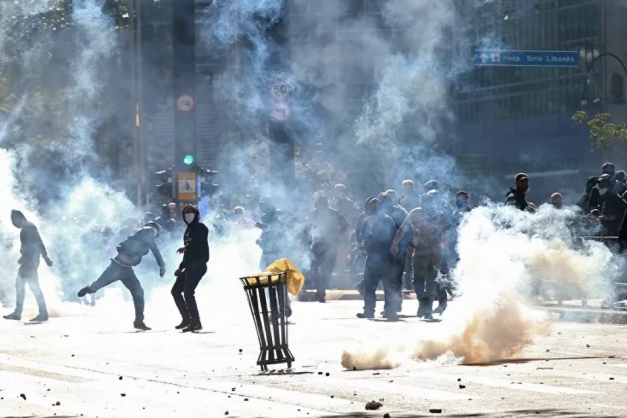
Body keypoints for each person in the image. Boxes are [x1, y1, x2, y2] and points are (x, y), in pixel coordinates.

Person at [77, 222, 166, 330]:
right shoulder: (149, 230)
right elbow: (155, 250)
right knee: (99, 285)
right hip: (117, 266)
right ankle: (89, 288)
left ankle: (139, 321)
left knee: (138, 292)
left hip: (127, 269)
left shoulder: (142, 237)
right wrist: (162, 265)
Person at [391, 193, 447, 320]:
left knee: (418, 280)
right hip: (436, 251)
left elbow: (402, 229)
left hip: (422, 251)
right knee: (432, 282)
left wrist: (395, 244)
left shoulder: (416, 212)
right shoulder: (439, 214)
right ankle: (427, 311)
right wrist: (442, 247)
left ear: (421, 202)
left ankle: (422, 299)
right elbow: (447, 232)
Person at [3, 210, 52, 322]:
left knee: (26, 285)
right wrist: (45, 258)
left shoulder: (27, 228)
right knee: (27, 285)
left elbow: (38, 244)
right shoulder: (28, 227)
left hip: (30, 262)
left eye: (13, 220)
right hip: (30, 261)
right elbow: (38, 244)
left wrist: (45, 258)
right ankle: (31, 312)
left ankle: (23, 312)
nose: (13, 223)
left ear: (18, 218)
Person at [357, 198, 397, 320]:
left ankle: (390, 311)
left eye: (377, 206)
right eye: (372, 206)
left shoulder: (387, 220)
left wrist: (373, 241)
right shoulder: (367, 220)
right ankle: (369, 311)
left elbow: (391, 237)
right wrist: (364, 245)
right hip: (372, 258)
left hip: (385, 258)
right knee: (369, 286)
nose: (375, 209)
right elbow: (362, 237)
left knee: (388, 286)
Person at [172, 205, 210, 332]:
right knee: (176, 291)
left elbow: (198, 243)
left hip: (199, 264)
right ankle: (187, 319)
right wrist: (181, 267)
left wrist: (187, 247)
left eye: (191, 212)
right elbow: (188, 253)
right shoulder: (187, 231)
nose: (188, 215)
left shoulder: (201, 228)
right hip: (189, 265)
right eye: (186, 213)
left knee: (188, 293)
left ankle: (196, 322)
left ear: (196, 214)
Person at [307, 195, 349, 303]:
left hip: (330, 243)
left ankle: (321, 291)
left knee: (327, 269)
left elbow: (345, 224)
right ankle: (320, 290)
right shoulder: (314, 213)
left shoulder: (332, 213)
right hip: (318, 243)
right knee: (313, 267)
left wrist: (337, 234)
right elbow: (307, 227)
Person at [378, 192, 408, 315]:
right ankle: (389, 306)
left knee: (396, 279)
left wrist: (407, 245)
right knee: (387, 280)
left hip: (398, 250)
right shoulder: (379, 213)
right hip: (384, 252)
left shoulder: (400, 212)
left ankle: (395, 304)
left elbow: (406, 228)